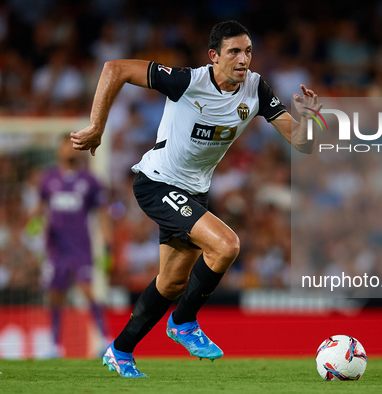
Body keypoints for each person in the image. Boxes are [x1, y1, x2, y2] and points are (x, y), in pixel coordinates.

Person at [71, 20, 321, 378]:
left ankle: (120, 350)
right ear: (213, 56)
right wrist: (97, 126)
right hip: (156, 183)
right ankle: (184, 322)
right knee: (226, 245)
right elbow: (115, 69)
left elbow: (302, 143)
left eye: (248, 51)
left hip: (194, 192)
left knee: (171, 283)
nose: (243, 59)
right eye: (234, 51)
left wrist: (309, 118)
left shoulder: (256, 89)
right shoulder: (188, 81)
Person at [32, 135, 112, 357]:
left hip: (80, 246)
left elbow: (103, 214)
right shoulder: (48, 179)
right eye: (65, 146)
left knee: (87, 290)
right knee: (55, 294)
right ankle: (53, 343)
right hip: (55, 248)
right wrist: (34, 226)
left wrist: (107, 245)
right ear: (59, 150)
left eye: (73, 146)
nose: (69, 151)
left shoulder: (90, 180)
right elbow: (39, 210)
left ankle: (104, 339)